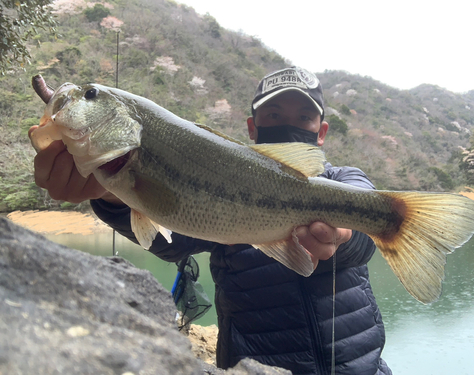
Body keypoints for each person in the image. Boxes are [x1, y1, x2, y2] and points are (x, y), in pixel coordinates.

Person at [32, 67, 391, 375]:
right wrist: (112, 195)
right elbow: (169, 241)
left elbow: (364, 244)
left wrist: (342, 236)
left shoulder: (347, 179)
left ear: (321, 131)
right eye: (275, 115)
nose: (288, 125)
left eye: (303, 118)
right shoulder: (221, 178)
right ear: (253, 128)